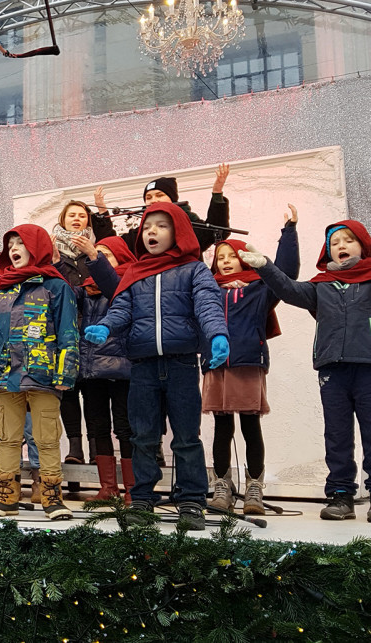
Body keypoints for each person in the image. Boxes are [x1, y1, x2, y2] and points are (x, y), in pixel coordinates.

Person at [85, 202, 229, 531]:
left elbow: (208, 304)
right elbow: (122, 308)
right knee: (143, 436)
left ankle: (192, 500)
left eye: (162, 226)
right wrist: (106, 326)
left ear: (178, 231)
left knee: (186, 437)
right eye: (149, 226)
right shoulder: (135, 273)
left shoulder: (194, 269)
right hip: (143, 366)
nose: (152, 231)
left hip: (181, 364)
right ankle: (143, 499)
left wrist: (217, 335)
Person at [238, 218, 371, 522]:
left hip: (367, 366)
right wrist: (264, 266)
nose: (341, 246)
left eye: (348, 240)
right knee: (337, 435)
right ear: (327, 251)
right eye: (335, 242)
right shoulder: (319, 285)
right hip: (331, 370)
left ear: (363, 246)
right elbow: (288, 289)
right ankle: (340, 495)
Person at [0, 225, 79, 519]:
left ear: (38, 247)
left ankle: (51, 498)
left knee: (45, 438)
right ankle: (6, 496)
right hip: (7, 377)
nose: (15, 248)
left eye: (22, 242)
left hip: (44, 377)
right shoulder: (0, 290)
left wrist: (65, 374)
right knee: (7, 437)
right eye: (11, 244)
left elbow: (69, 333)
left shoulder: (56, 287)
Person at [202, 206, 300, 515]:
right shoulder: (206, 290)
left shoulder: (260, 290)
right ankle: (222, 485)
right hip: (217, 367)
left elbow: (286, 274)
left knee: (249, 426)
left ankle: (254, 487)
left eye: (232, 255)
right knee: (221, 427)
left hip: (248, 364)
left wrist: (289, 234)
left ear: (244, 258)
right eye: (221, 257)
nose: (227, 261)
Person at [67, 234, 137, 502]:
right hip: (92, 368)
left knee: (125, 429)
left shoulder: (127, 282)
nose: (100, 259)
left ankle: (132, 488)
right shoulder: (86, 288)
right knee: (98, 428)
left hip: (122, 370)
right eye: (98, 255)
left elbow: (116, 292)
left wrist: (97, 260)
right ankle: (108, 487)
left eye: (107, 254)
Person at [93, 164, 232, 256]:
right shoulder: (140, 232)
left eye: (160, 195)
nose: (153, 200)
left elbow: (218, 231)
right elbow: (112, 247)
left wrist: (217, 193)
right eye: (148, 197)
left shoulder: (190, 224)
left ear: (173, 199)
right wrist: (102, 213)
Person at [51, 199, 98, 467]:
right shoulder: (52, 251)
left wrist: (92, 254)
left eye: (82, 215)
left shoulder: (96, 249)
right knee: (68, 391)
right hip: (64, 329)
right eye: (72, 215)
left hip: (92, 330)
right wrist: (57, 263)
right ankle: (75, 449)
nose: (77, 219)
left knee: (92, 394)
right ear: (63, 220)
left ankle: (96, 449)